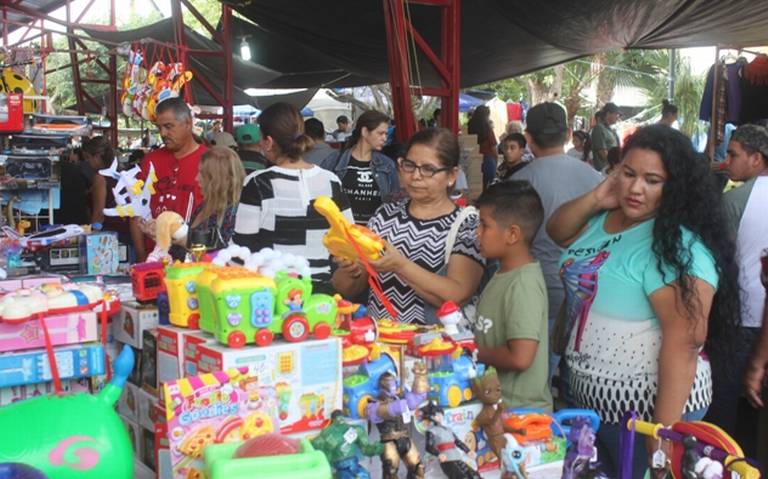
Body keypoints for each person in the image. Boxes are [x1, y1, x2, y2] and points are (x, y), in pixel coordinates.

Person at [546, 124, 739, 477]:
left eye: (653, 180)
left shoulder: (680, 248)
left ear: (676, 187)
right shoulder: (604, 220)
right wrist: (596, 198)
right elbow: (556, 231)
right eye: (628, 174)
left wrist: (662, 436)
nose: (635, 188)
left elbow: (685, 344)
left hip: (643, 416)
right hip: (590, 403)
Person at [332, 128, 485, 325]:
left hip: (436, 348)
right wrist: (351, 269)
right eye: (409, 165)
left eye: (428, 169)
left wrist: (400, 265)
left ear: (451, 175)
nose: (416, 176)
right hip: (381, 344)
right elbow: (347, 287)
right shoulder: (384, 215)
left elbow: (458, 294)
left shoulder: (468, 224)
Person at [510, 102, 602, 381]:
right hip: (590, 289)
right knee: (581, 380)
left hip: (540, 290)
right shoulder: (595, 178)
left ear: (528, 138)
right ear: (568, 134)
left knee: (540, 379)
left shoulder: (520, 182)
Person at [233, 102, 352, 292]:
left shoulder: (257, 183)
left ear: (269, 142)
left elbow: (241, 249)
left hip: (273, 297)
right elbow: (349, 238)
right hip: (325, 297)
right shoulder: (331, 181)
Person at [707, 124, 768, 458]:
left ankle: (725, 462)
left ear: (756, 158)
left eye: (733, 154)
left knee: (724, 400)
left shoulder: (734, 201)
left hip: (741, 318)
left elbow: (720, 264)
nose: (727, 161)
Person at [473, 181, 552, 411]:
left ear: (512, 234)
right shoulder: (503, 273)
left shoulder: (523, 284)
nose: (477, 232)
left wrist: (471, 351)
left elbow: (520, 357)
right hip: (498, 408)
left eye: (484, 225)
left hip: (520, 415)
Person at [130, 97, 206, 262]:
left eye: (169, 126)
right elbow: (135, 211)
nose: (163, 133)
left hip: (193, 259)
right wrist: (141, 256)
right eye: (160, 128)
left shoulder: (208, 160)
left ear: (188, 123)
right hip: (154, 258)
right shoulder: (151, 161)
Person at [321, 110, 399, 225]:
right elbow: (320, 197)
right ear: (365, 132)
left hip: (374, 235)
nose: (385, 138)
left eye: (386, 134)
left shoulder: (387, 165)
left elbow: (395, 202)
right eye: (380, 133)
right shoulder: (334, 161)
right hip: (341, 232)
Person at [182, 146, 244, 255]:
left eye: (203, 174)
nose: (196, 178)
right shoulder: (205, 205)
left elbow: (222, 255)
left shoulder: (232, 214)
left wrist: (183, 242)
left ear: (217, 179)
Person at [81, 136, 127, 235]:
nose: (88, 162)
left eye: (88, 157)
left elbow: (99, 215)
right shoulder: (121, 173)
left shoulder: (100, 178)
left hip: (109, 233)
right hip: (125, 229)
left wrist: (91, 234)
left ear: (97, 156)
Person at [467, 105, 498, 190]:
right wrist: (496, 161)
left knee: (474, 190)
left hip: (472, 161)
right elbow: (493, 149)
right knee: (487, 190)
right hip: (488, 161)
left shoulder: (469, 127)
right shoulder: (488, 130)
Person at [590, 102, 621, 171]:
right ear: (608, 113)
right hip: (604, 170)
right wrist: (613, 166)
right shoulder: (599, 128)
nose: (617, 117)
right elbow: (602, 152)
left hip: (612, 169)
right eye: (616, 114)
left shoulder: (610, 130)